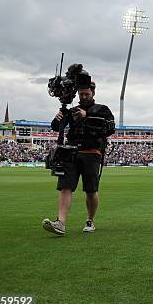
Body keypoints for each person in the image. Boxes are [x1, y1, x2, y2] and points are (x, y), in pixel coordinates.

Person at [42, 77, 115, 235]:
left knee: (90, 190)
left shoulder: (103, 109)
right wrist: (58, 118)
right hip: (71, 152)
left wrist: (86, 116)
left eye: (86, 94)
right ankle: (60, 222)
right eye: (81, 94)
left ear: (93, 93)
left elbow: (109, 128)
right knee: (65, 187)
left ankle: (90, 220)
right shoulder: (73, 109)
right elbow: (56, 127)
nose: (83, 97)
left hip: (92, 153)